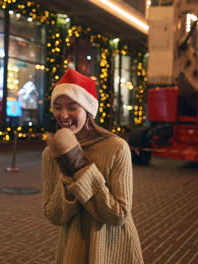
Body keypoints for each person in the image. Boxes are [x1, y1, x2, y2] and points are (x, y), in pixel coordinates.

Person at [42, 68, 144, 264]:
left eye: (72, 107)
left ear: (88, 109)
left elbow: (119, 215)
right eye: (57, 107)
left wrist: (80, 168)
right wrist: (66, 178)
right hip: (73, 249)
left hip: (113, 248)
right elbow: (53, 215)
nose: (63, 115)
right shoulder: (51, 153)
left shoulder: (116, 147)